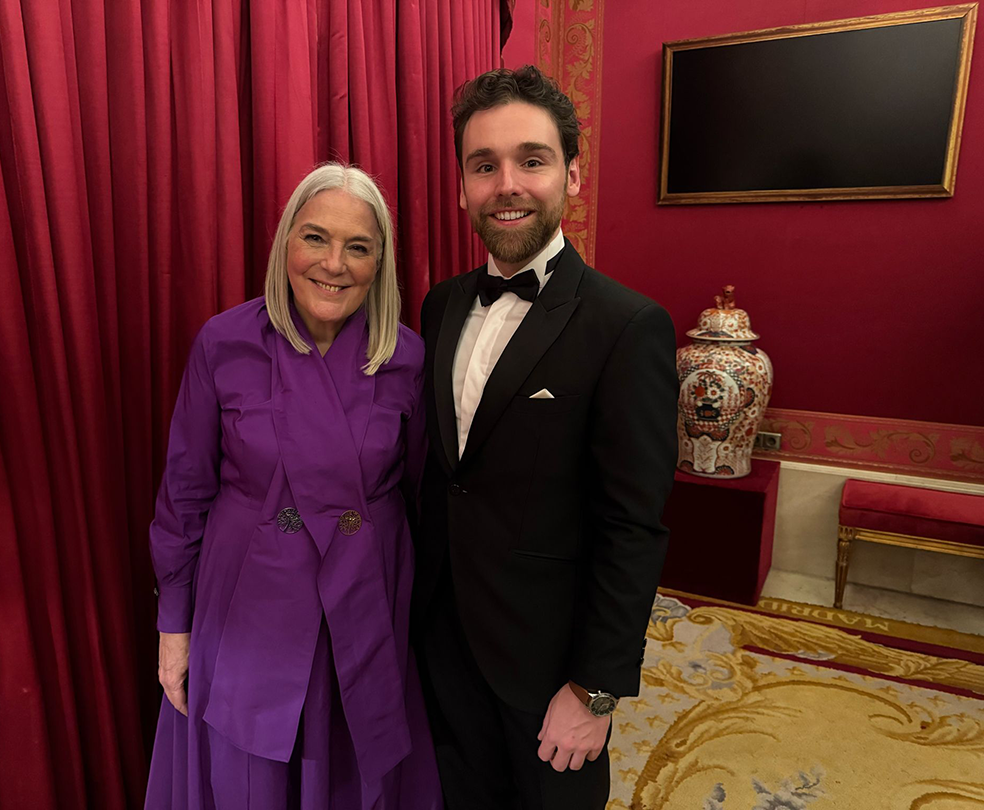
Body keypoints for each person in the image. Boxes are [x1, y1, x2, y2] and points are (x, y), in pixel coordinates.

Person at [414, 66, 678, 809]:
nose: (507, 183)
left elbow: (633, 526)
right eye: (483, 164)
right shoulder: (439, 306)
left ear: (572, 173)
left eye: (531, 160)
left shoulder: (627, 327)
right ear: (463, 183)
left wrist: (595, 687)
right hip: (442, 635)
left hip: (549, 661)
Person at [145, 163, 442, 810]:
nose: (334, 264)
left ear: (379, 262)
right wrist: (175, 628)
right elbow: (184, 495)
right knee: (246, 776)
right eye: (315, 238)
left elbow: (422, 496)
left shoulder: (409, 358)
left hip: (363, 604)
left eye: (357, 246)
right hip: (247, 608)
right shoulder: (224, 343)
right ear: (285, 244)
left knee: (348, 766)